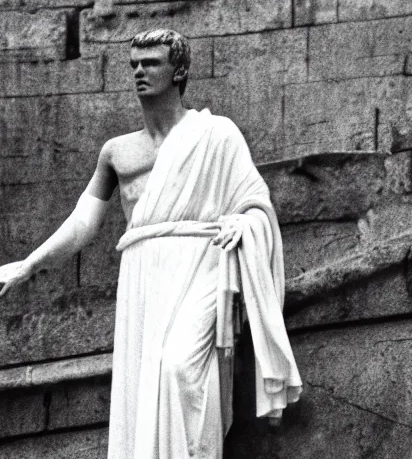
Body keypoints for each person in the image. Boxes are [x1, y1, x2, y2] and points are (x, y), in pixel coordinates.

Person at [0, 29, 302, 458]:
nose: (140, 71)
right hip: (143, 275)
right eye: (134, 64)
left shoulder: (217, 135)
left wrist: (245, 224)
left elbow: (256, 204)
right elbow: (85, 222)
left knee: (181, 368)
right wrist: (29, 264)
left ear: (178, 70)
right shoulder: (117, 152)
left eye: (151, 62)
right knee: (145, 389)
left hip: (201, 264)